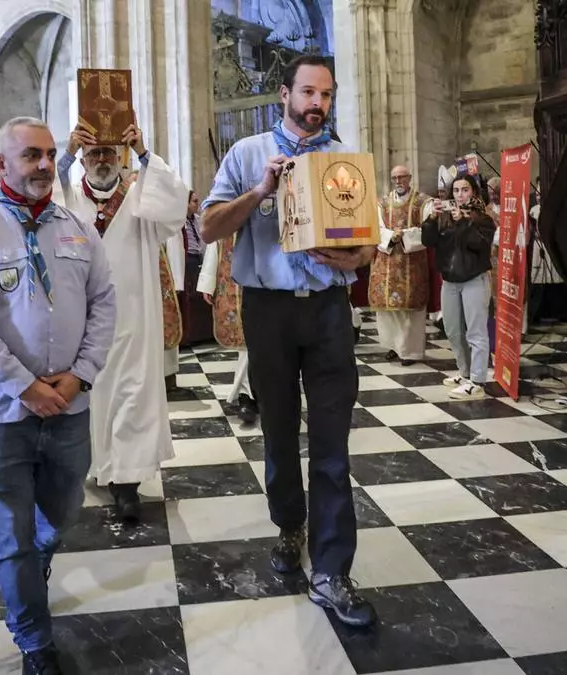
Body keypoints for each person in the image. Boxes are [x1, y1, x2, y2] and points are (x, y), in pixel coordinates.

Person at [199, 55, 376, 628]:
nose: (316, 103)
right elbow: (208, 227)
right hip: (269, 312)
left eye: (325, 93)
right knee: (278, 432)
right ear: (284, 93)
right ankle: (289, 524)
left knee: (332, 442)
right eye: (307, 91)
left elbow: (367, 246)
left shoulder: (343, 161)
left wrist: (354, 256)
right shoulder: (247, 152)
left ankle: (331, 571)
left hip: (328, 312)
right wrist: (259, 191)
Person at [0, 116, 116, 675]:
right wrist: (25, 386)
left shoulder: (75, 228)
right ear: (1, 165)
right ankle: (33, 640)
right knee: (11, 536)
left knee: (61, 514)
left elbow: (105, 303)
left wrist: (79, 375)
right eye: (30, 156)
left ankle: (38, 562)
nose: (44, 165)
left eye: (49, 154)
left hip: (69, 406)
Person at [56, 122, 187, 523]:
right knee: (92, 399)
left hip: (134, 318)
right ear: (83, 160)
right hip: (84, 324)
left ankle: (126, 484)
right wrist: (64, 153)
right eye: (92, 154)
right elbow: (40, 201)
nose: (100, 161)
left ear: (119, 160)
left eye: (108, 154)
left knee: (132, 393)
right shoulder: (69, 201)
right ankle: (99, 466)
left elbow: (174, 206)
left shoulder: (140, 200)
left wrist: (145, 153)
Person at [422, 174, 496, 400]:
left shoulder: (483, 218)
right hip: (450, 281)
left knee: (476, 332)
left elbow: (477, 244)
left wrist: (463, 222)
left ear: (473, 192)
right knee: (453, 330)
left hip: (474, 279)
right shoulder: (445, 217)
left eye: (465, 190)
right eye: (456, 190)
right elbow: (429, 241)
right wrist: (432, 219)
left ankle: (477, 381)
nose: (460, 195)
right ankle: (464, 373)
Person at [371, 166, 430, 366]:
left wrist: (404, 235)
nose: (398, 181)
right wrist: (390, 236)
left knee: (410, 310)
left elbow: (429, 230)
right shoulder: (383, 203)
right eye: (395, 177)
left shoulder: (423, 202)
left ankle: (411, 352)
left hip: (411, 261)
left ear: (410, 178)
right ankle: (394, 347)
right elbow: (376, 228)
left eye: (402, 177)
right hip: (387, 260)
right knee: (390, 310)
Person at [196, 235, 258, 424]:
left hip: (268, 281)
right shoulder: (227, 206)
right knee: (246, 344)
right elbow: (216, 241)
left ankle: (254, 394)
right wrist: (208, 282)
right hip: (235, 284)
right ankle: (247, 396)